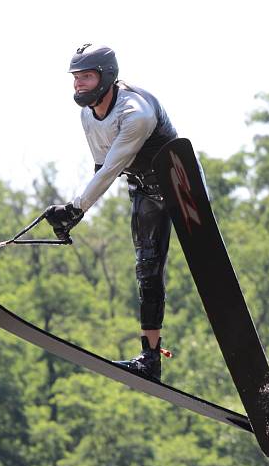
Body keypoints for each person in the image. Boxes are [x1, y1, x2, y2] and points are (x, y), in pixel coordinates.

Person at [44, 44, 177, 382]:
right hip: (144, 191)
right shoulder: (88, 114)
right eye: (76, 79)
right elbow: (102, 168)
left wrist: (76, 208)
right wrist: (75, 213)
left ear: (107, 76)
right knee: (147, 271)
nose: (79, 85)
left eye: (86, 77)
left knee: (202, 266)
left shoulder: (136, 112)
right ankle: (151, 359)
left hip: (179, 187)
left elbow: (111, 168)